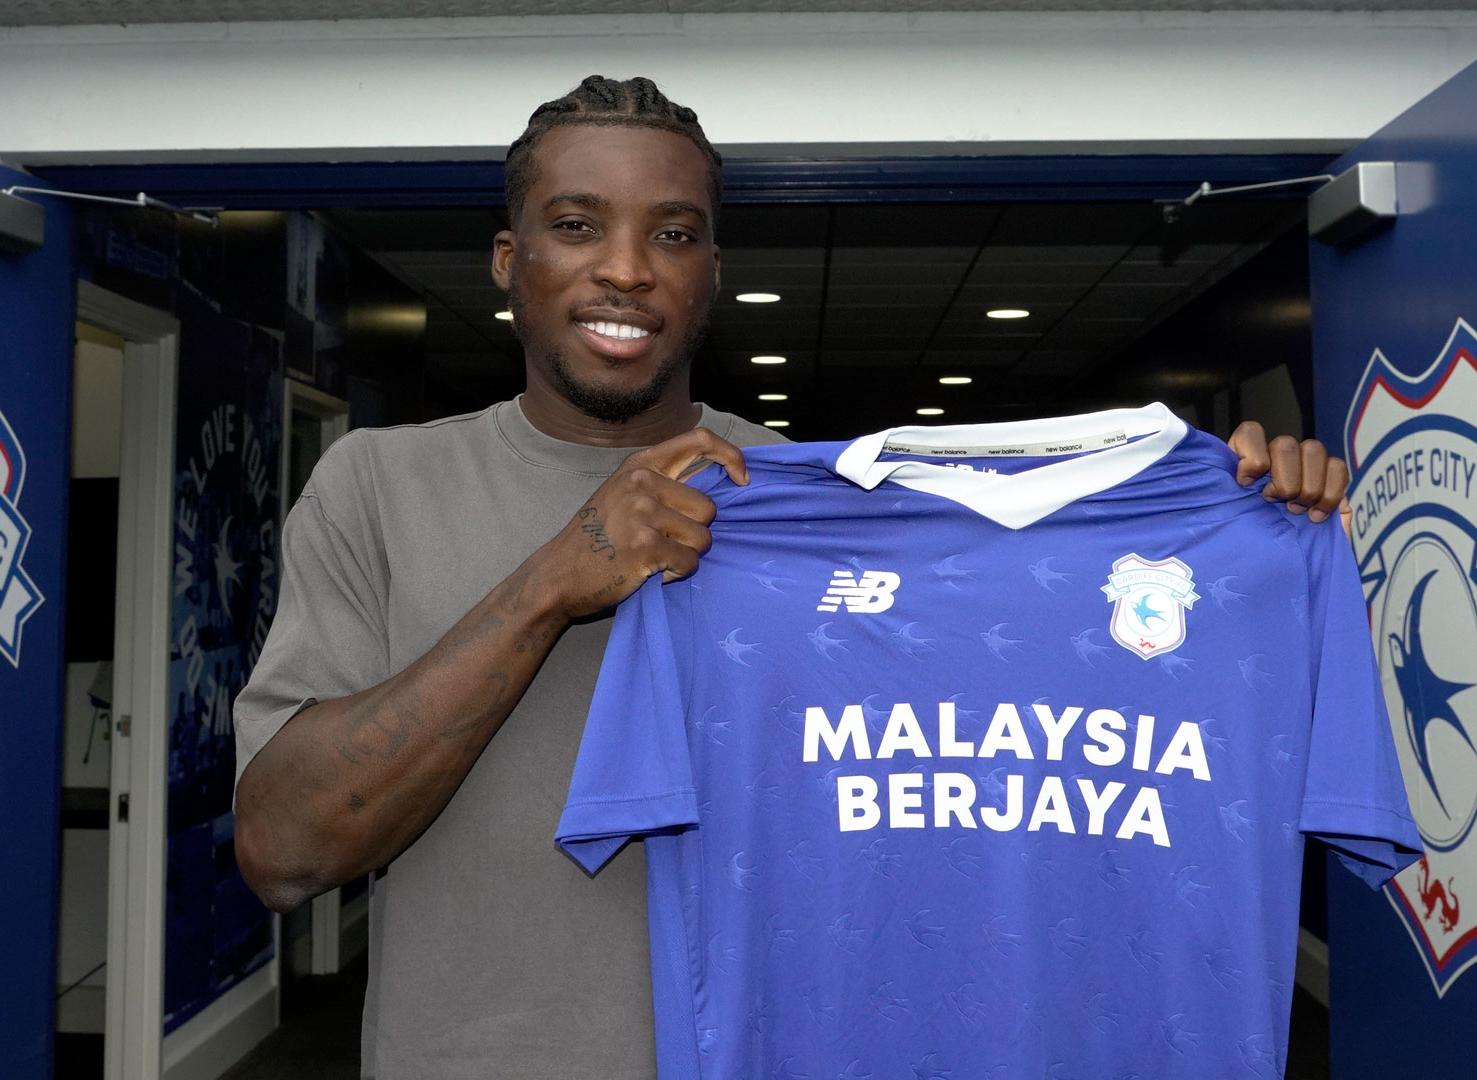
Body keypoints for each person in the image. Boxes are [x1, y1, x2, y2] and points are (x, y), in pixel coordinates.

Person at [232, 75, 1351, 1080]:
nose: (625, 266)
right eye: (577, 226)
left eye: (672, 234)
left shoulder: (832, 513)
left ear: (711, 273)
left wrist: (1259, 522)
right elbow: (284, 854)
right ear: (508, 258)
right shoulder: (377, 485)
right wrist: (556, 579)